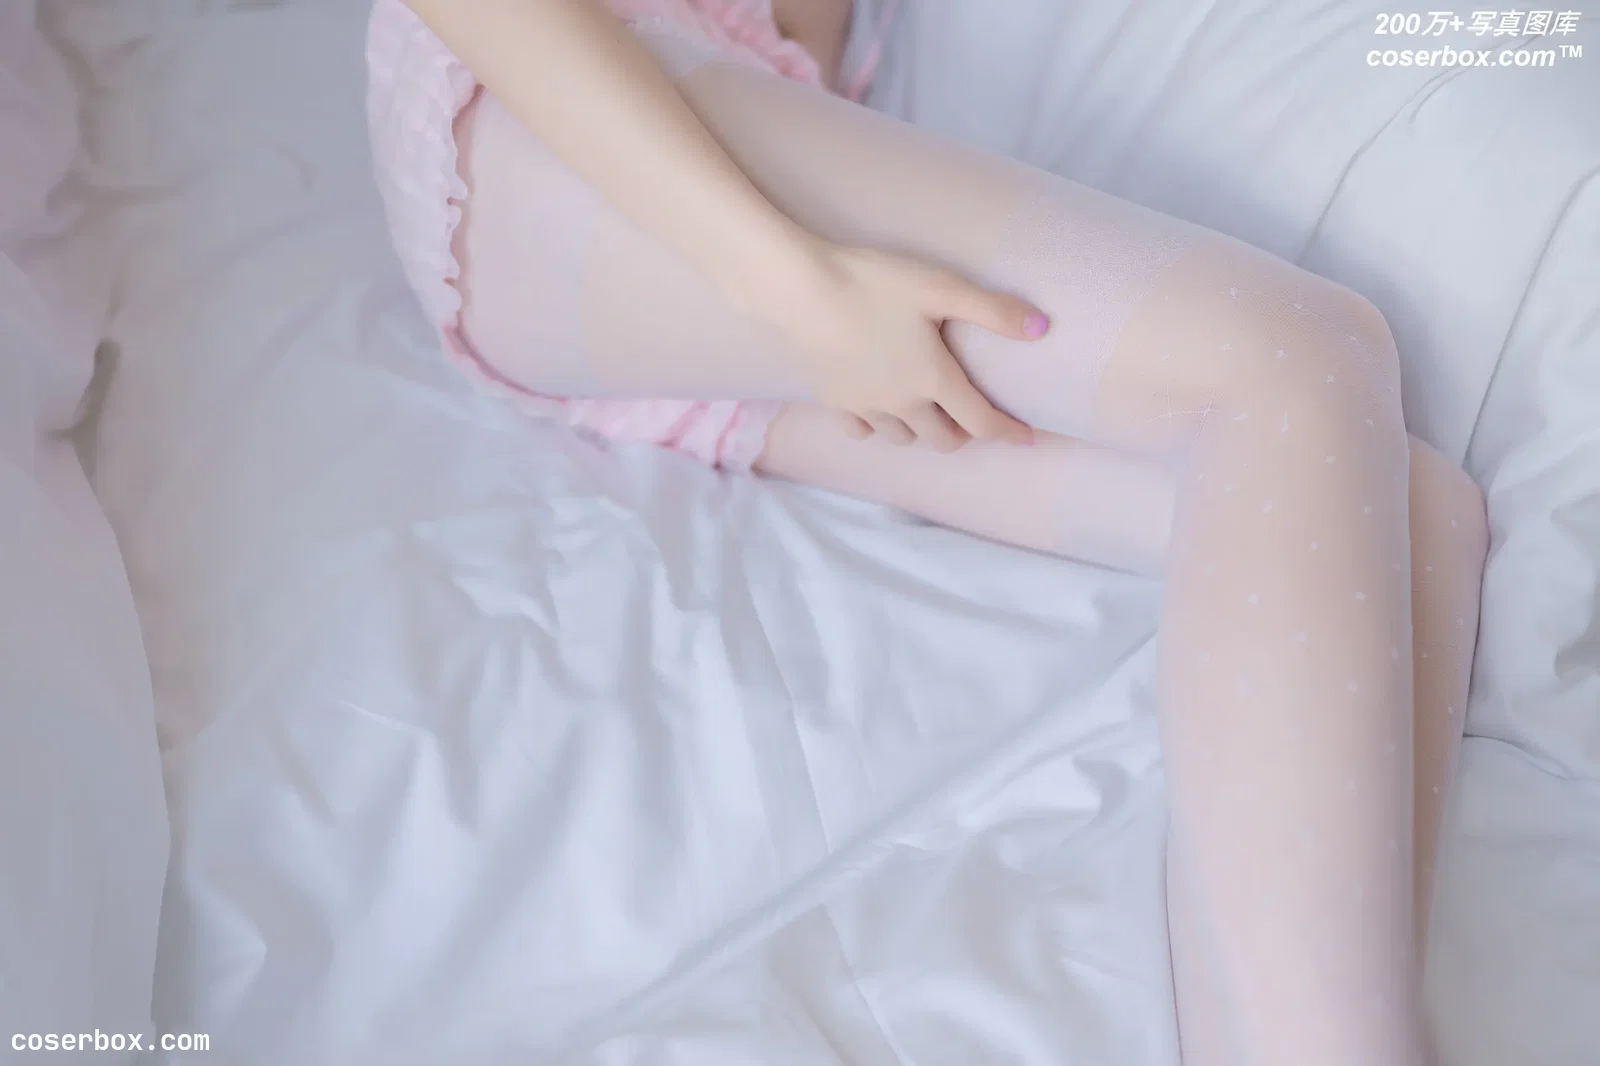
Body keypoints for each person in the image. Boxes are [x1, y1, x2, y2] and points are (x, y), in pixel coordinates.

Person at [368, 1, 1490, 1062]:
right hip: (555, 115)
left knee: (1419, 516)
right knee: (1298, 355)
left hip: (707, 170)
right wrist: (800, 288)